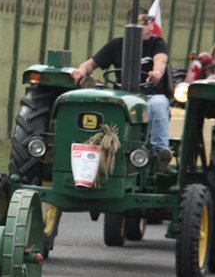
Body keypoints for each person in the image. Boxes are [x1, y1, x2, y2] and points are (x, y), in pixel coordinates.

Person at [70, 10, 171, 164]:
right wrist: (81, 70)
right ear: (131, 27)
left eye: (151, 23)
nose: (150, 27)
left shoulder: (156, 44)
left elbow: (161, 60)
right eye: (145, 24)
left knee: (158, 104)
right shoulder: (116, 45)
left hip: (148, 97)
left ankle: (159, 155)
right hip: (121, 98)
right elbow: (91, 64)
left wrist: (156, 72)